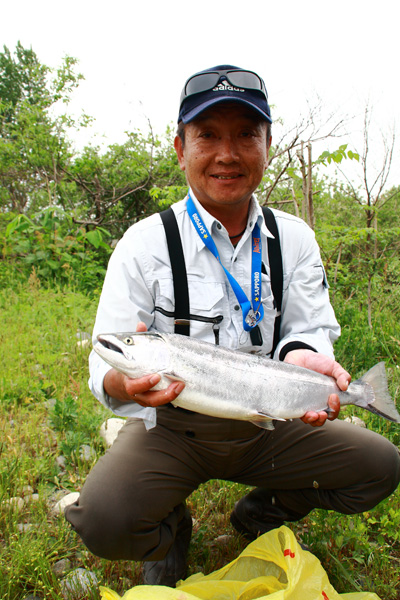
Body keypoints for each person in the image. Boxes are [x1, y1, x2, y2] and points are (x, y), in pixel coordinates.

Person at [65, 65, 400, 587]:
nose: (228, 153)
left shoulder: (295, 240)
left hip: (271, 422)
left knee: (381, 466)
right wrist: (121, 382)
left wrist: (303, 360)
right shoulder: (143, 244)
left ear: (268, 144)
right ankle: (170, 527)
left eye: (246, 134)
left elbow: (308, 331)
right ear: (180, 147)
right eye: (208, 136)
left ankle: (261, 512)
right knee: (104, 516)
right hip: (174, 429)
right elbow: (105, 357)